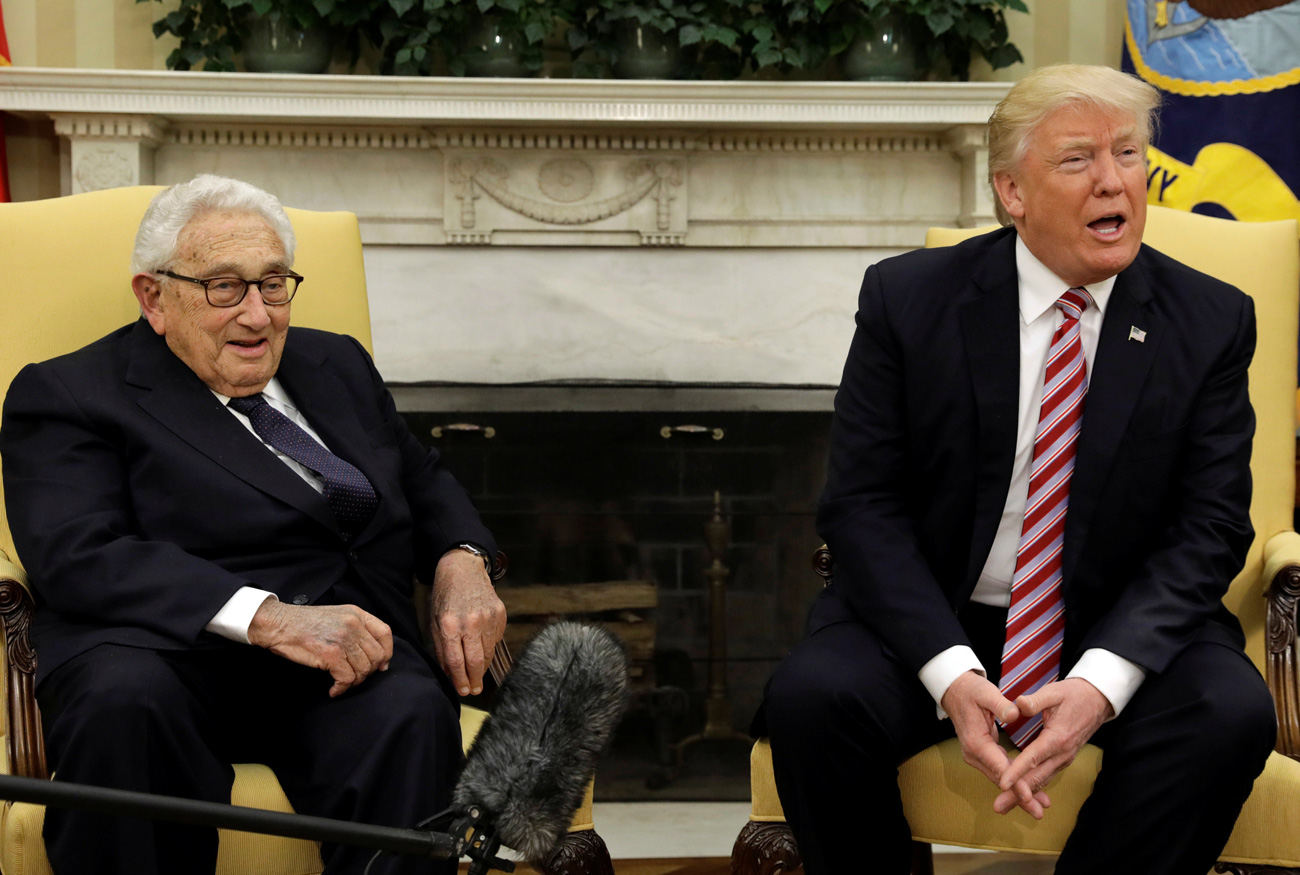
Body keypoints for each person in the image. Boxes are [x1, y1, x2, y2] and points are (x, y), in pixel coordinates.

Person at [756, 64, 1277, 874]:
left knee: (1229, 711)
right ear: (1012, 191)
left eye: (1129, 154)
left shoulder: (1209, 320)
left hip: (1118, 621)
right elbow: (861, 505)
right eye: (1077, 160)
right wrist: (951, 673)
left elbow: (1210, 526)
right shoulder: (908, 300)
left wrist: (1101, 681)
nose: (1114, 181)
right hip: (941, 616)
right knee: (812, 699)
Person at [0, 175, 507, 875]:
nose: (257, 315)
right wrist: (271, 618)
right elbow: (79, 553)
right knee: (125, 705)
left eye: (273, 284)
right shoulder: (68, 392)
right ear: (154, 297)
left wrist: (461, 558)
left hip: (339, 658)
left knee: (409, 711)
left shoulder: (336, 363)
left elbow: (419, 475)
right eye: (224, 287)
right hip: (165, 653)